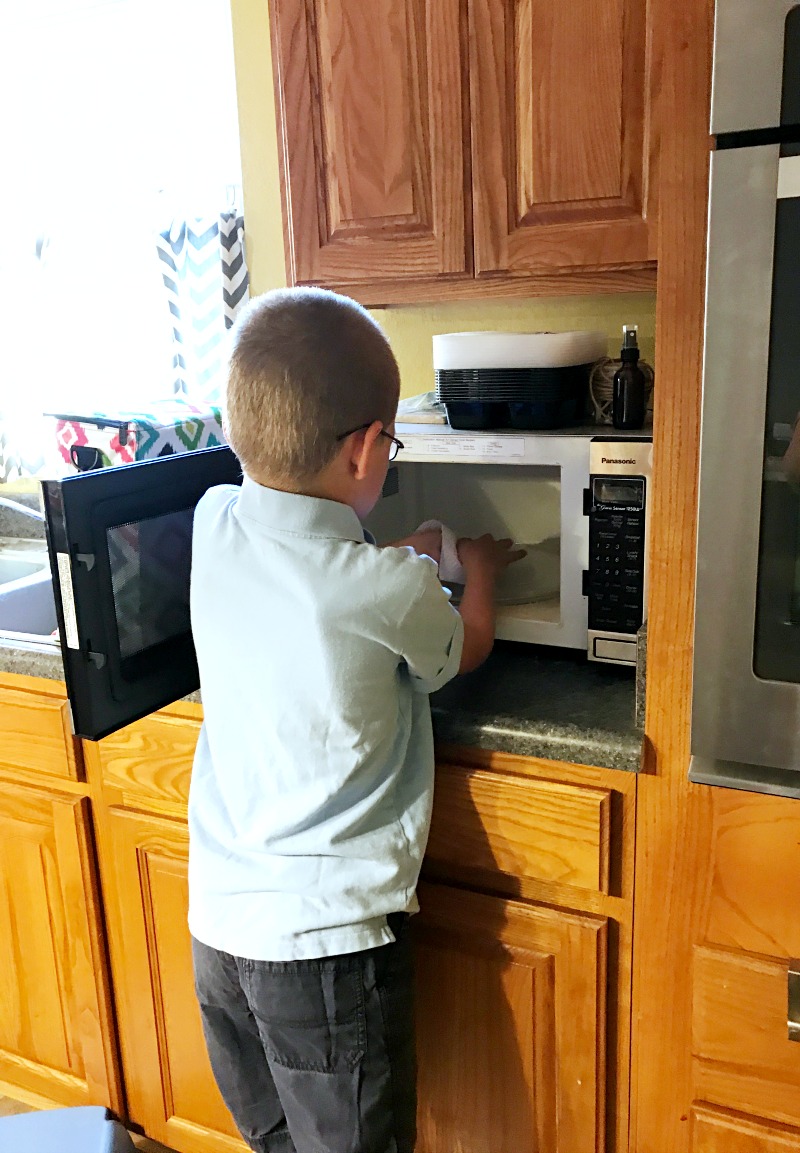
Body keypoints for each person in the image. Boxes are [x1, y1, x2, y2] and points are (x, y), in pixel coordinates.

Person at [188, 286, 523, 1153]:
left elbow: (309, 561)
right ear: (371, 449)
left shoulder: (212, 522)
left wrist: (401, 548)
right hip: (326, 956)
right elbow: (465, 643)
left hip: (221, 937)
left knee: (279, 1144)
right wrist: (476, 567)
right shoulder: (393, 590)